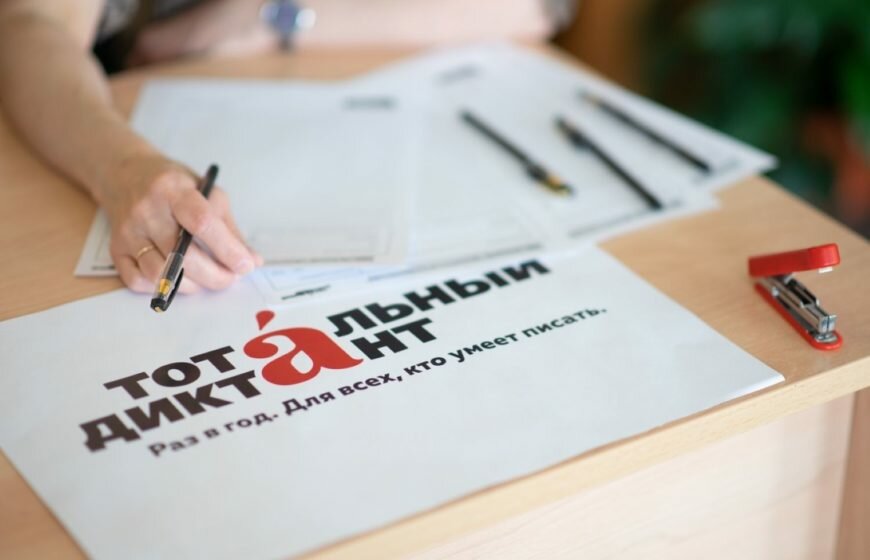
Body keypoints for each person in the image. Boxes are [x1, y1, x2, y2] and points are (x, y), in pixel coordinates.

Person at [0, 0, 573, 294]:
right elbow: (30, 24)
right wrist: (123, 166)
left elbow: (531, 8)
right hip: (96, 121)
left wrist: (270, 18)